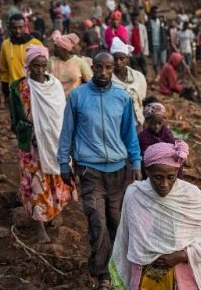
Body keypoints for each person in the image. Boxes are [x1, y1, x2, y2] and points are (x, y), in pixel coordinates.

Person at [57, 52, 143, 289]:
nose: (104, 73)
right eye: (99, 68)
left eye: (109, 68)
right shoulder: (77, 97)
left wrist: (136, 163)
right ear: (91, 67)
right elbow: (67, 133)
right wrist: (64, 163)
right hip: (89, 170)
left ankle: (118, 269)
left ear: (113, 69)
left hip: (118, 172)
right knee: (97, 222)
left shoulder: (122, 98)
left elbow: (129, 135)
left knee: (116, 222)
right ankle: (103, 276)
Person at [109, 140, 201, 290]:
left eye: (171, 177)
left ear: (177, 172)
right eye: (158, 177)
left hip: (181, 276)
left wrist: (181, 255)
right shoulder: (135, 195)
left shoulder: (191, 196)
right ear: (147, 171)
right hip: (144, 275)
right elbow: (128, 237)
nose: (165, 184)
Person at [9, 46, 77, 243]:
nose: (39, 70)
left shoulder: (54, 85)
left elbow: (61, 113)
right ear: (28, 66)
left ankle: (54, 213)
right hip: (32, 146)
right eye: (35, 66)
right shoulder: (20, 88)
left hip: (55, 142)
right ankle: (39, 227)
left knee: (56, 179)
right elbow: (15, 117)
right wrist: (28, 133)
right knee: (35, 183)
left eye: (42, 66)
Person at [0, 14, 42, 102]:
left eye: (21, 27)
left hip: (34, 89)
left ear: (25, 26)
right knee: (15, 116)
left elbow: (43, 68)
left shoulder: (36, 43)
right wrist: (6, 92)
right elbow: (4, 70)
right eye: (14, 28)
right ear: (9, 27)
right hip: (14, 91)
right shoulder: (5, 45)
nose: (18, 31)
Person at [111, 37, 148, 130]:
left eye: (121, 58)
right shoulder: (107, 79)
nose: (118, 62)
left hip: (137, 123)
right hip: (116, 126)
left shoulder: (138, 77)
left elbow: (142, 101)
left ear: (127, 59)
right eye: (115, 59)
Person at [137, 102, 176, 175]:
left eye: (160, 123)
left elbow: (173, 146)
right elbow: (143, 154)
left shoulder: (166, 133)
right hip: (150, 170)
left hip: (168, 167)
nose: (157, 126)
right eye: (153, 123)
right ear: (147, 121)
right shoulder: (143, 137)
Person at [49, 32, 93, 97]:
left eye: (58, 48)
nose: (55, 50)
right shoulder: (51, 61)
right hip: (55, 100)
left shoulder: (79, 62)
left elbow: (90, 82)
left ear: (65, 49)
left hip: (74, 101)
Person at [147, 8, 169, 76]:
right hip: (153, 46)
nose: (155, 14)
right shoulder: (148, 23)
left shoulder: (161, 21)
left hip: (162, 45)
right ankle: (157, 74)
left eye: (156, 12)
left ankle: (163, 75)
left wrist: (166, 43)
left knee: (163, 62)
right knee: (155, 63)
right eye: (154, 12)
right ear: (151, 13)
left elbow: (165, 32)